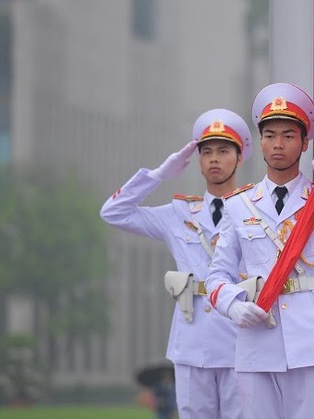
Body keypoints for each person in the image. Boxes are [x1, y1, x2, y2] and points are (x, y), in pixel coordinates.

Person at [205, 82, 314, 419]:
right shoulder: (240, 205)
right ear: (260, 142)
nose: (278, 145)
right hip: (258, 336)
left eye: (288, 135)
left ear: (304, 143)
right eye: (270, 135)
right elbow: (217, 275)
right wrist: (232, 306)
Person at [100, 108, 251, 419]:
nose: (213, 159)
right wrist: (157, 176)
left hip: (241, 336)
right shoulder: (179, 213)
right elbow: (113, 213)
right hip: (193, 338)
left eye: (223, 151)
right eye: (206, 152)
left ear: (240, 157)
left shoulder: (255, 211)